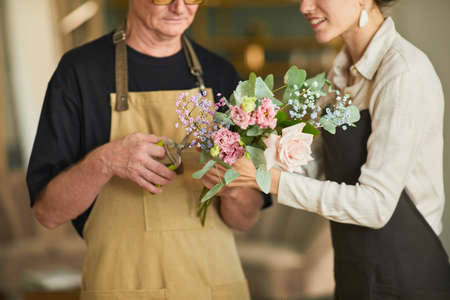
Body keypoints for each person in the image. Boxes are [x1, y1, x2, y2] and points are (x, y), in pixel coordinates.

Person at [202, 0, 450, 299]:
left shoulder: (403, 72)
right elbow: (320, 161)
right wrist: (249, 167)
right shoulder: (340, 71)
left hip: (405, 277)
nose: (305, 6)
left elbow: (376, 207)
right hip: (353, 271)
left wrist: (273, 180)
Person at [26, 0, 270, 299]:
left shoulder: (220, 74)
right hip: (122, 287)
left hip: (214, 286)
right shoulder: (80, 72)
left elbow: (245, 219)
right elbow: (47, 213)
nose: (180, 8)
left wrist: (233, 189)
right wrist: (105, 162)